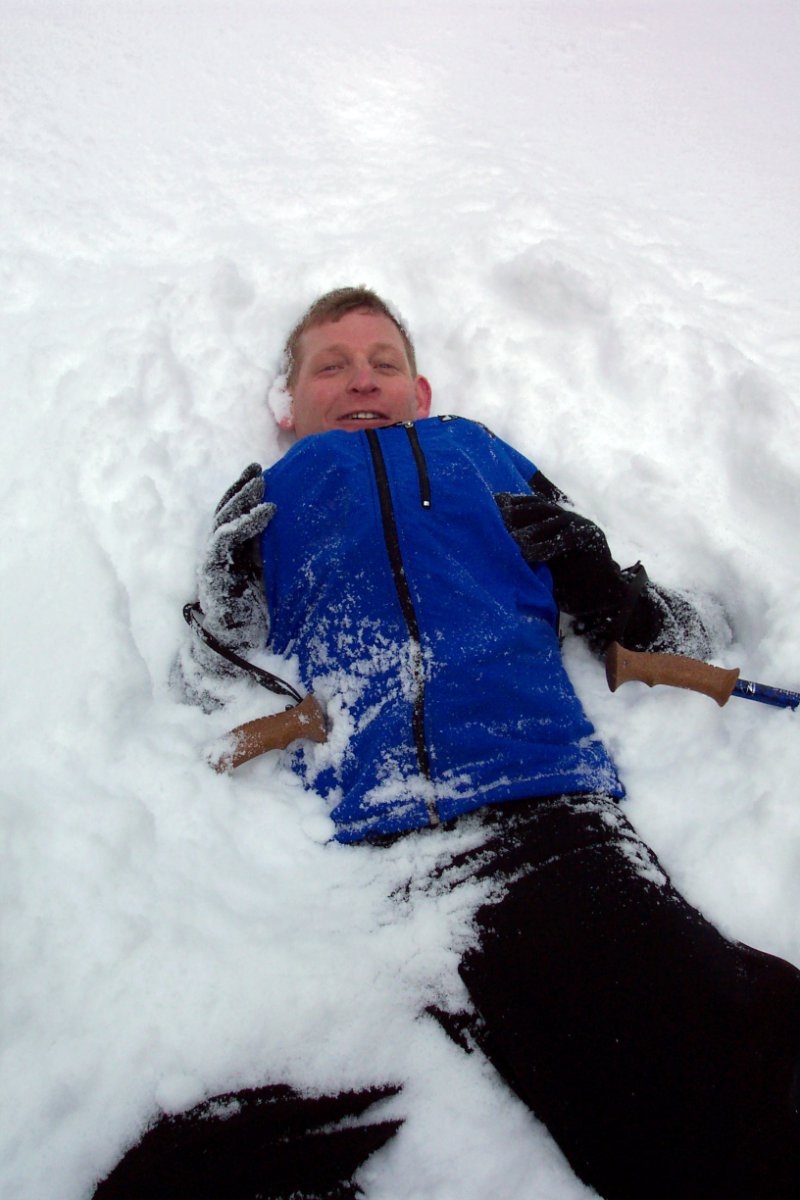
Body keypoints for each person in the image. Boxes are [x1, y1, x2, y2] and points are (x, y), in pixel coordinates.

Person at [169, 287, 800, 1199]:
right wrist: (221, 614)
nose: (362, 380)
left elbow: (687, 636)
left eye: (384, 363)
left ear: (420, 392)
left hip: (541, 818)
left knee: (726, 1109)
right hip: (344, 872)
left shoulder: (480, 454)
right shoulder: (268, 500)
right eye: (332, 367)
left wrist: (611, 591)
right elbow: (194, 707)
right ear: (287, 406)